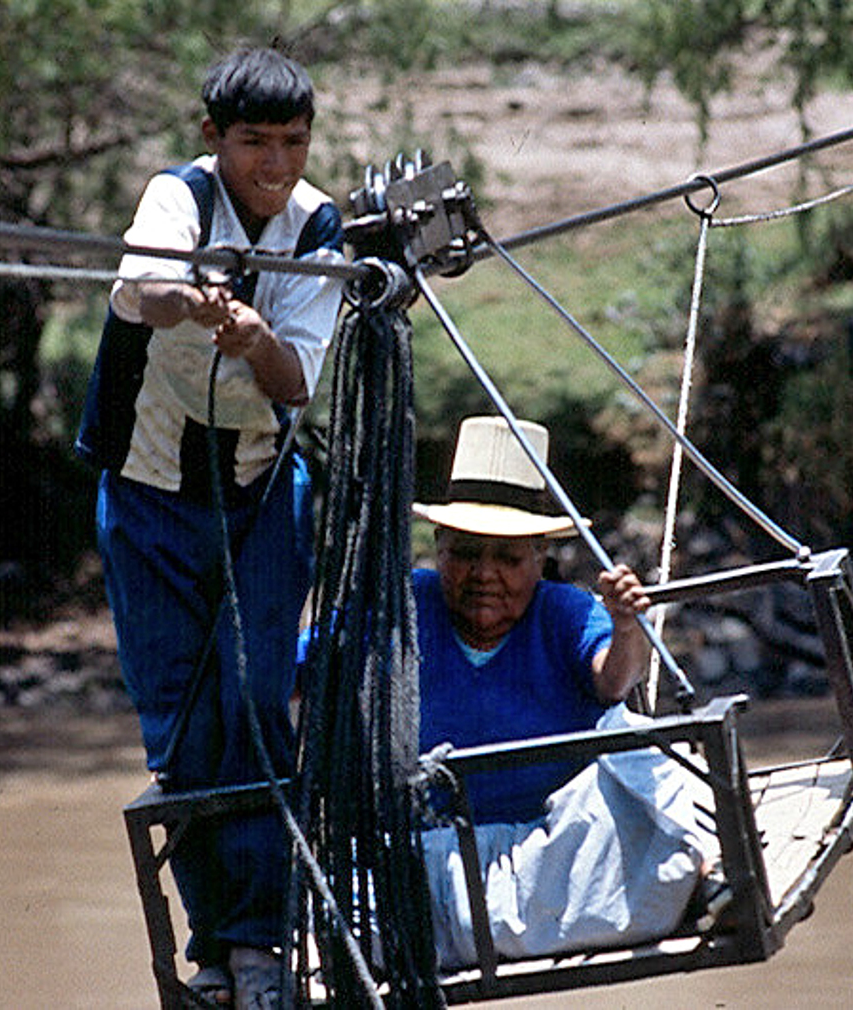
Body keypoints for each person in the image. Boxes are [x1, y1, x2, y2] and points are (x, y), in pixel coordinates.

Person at [75, 48, 345, 1009]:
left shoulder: (319, 227)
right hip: (149, 493)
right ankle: (216, 949)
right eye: (253, 143)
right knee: (182, 732)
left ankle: (262, 938)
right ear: (213, 139)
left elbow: (296, 381)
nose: (274, 164)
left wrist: (255, 337)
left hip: (260, 494)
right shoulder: (178, 197)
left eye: (292, 143)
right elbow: (136, 292)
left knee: (257, 707)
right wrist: (188, 298)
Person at [411, 416, 718, 967]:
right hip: (435, 866)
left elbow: (613, 679)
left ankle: (704, 875)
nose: (484, 575)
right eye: (466, 554)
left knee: (633, 740)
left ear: (539, 560)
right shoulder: (406, 605)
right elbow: (297, 671)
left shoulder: (564, 612)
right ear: (439, 549)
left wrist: (626, 625)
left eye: (508, 559)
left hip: (557, 860)